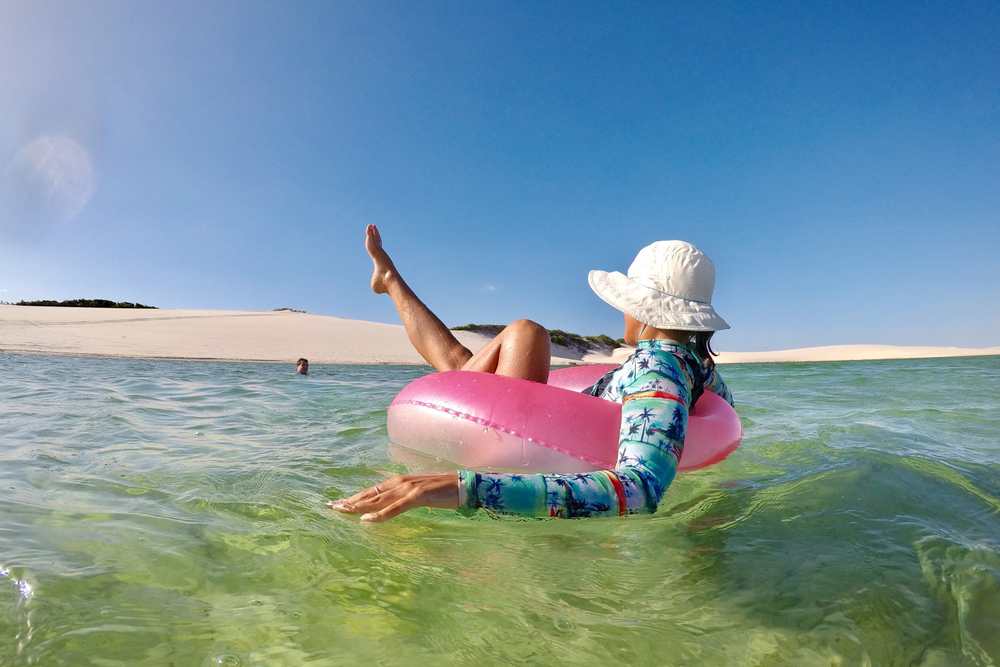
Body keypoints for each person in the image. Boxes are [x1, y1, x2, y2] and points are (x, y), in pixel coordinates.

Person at [328, 224, 733, 521]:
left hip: (533, 449)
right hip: (543, 425)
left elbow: (639, 490)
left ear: (644, 307)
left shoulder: (656, 369)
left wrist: (461, 487)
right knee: (511, 341)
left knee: (494, 349)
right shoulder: (698, 369)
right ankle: (391, 281)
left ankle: (391, 281)